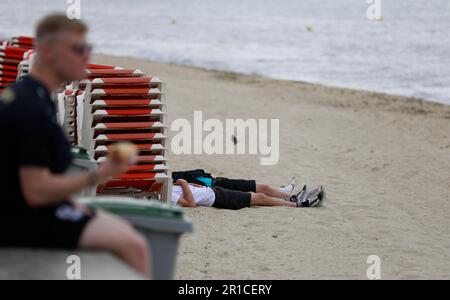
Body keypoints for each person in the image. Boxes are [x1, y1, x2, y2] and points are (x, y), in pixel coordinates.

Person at [0, 14, 149, 277]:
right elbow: (35, 190)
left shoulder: (31, 95)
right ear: (47, 51)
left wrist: (73, 203)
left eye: (88, 48)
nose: (86, 56)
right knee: (134, 245)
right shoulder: (30, 109)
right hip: (23, 221)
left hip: (27, 210)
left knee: (124, 231)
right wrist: (100, 174)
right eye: (78, 49)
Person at [172, 177, 325, 209]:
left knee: (259, 195)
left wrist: (189, 184)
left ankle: (292, 199)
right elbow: (190, 204)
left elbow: (190, 191)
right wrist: (184, 183)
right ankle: (299, 204)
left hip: (214, 192)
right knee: (260, 198)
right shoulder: (167, 195)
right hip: (218, 199)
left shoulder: (166, 187)